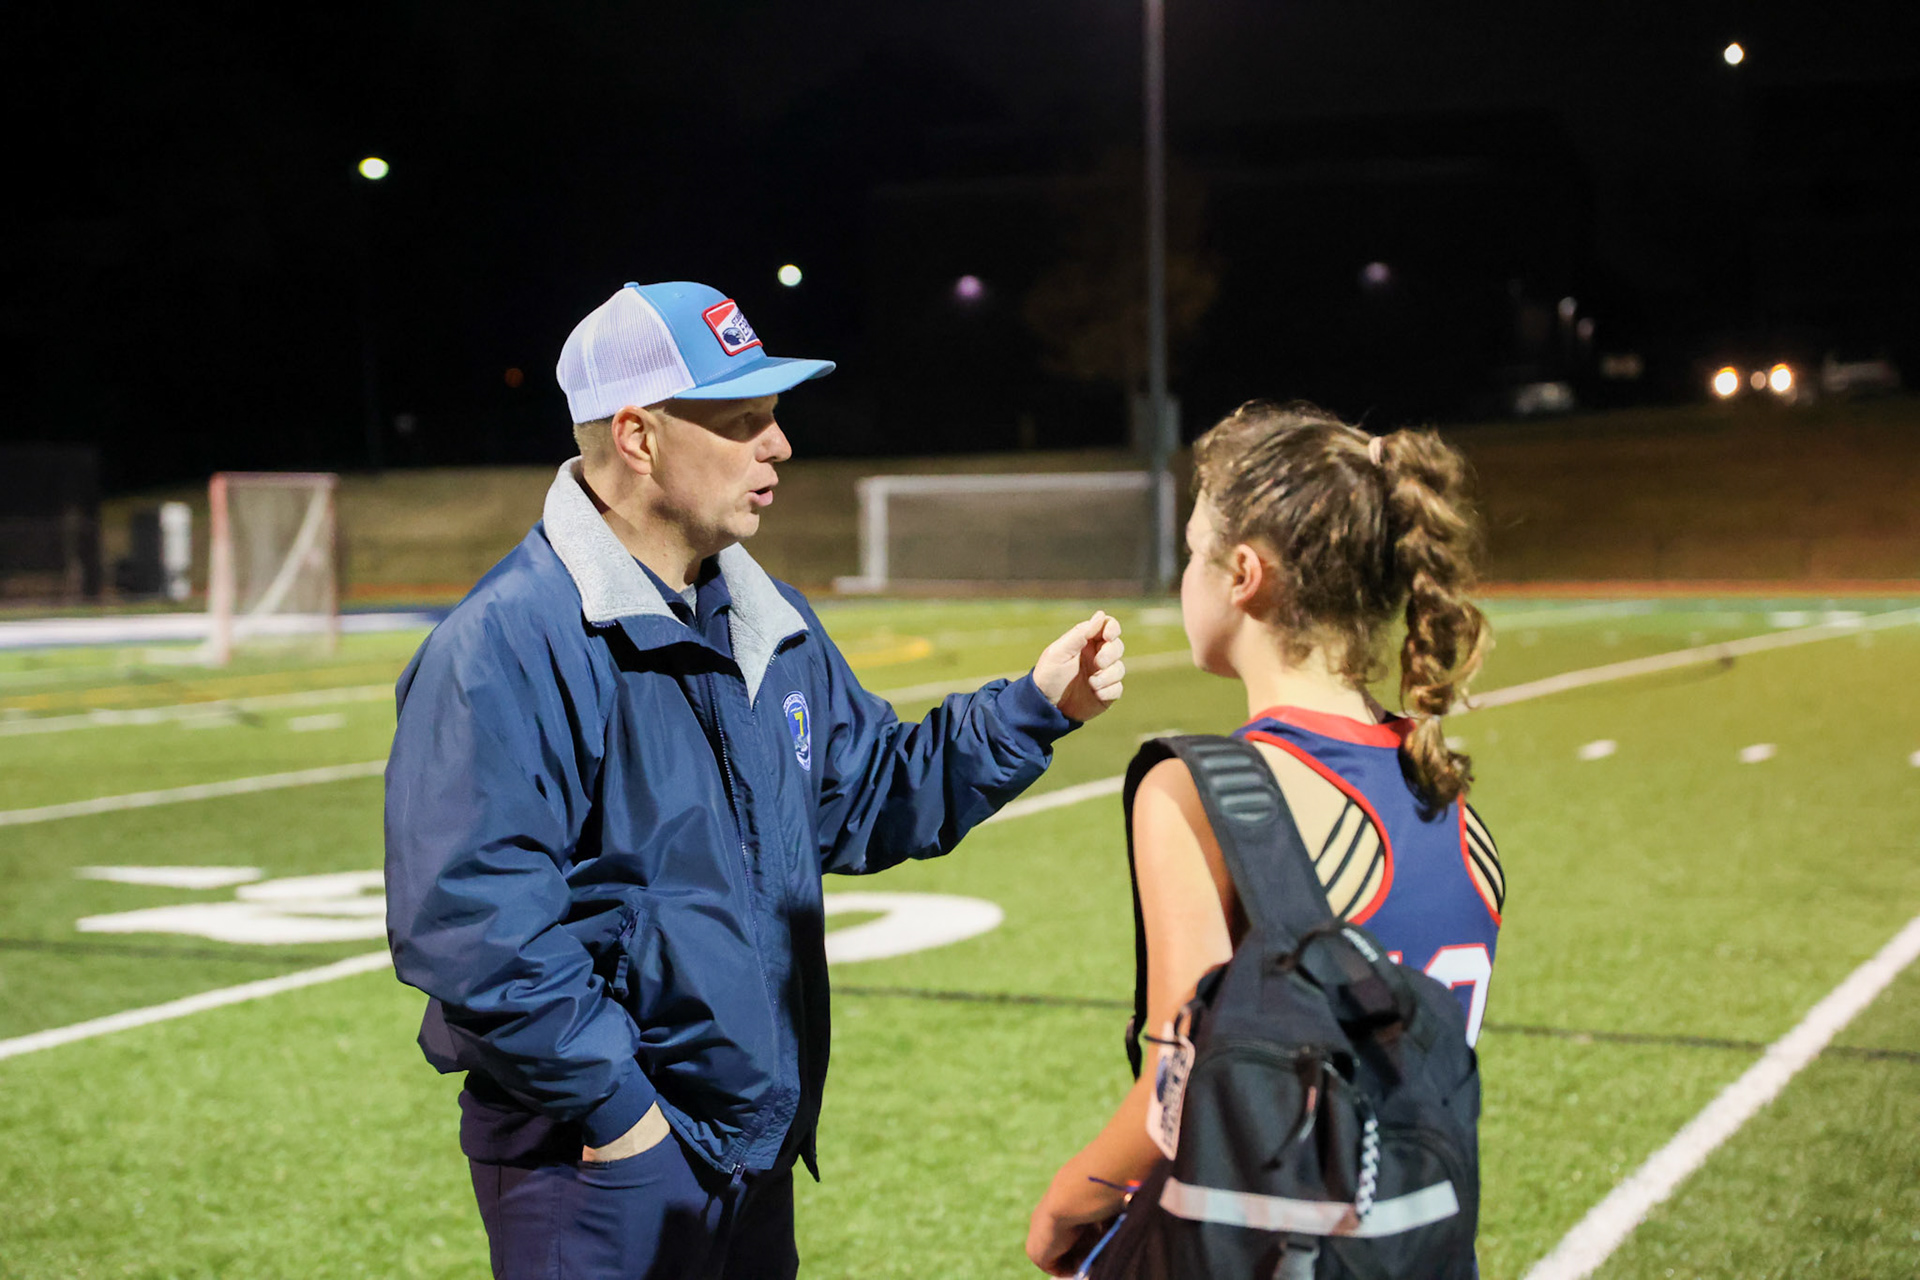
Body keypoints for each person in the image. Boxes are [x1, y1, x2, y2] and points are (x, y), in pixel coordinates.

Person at [382, 280, 1127, 1280]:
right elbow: (474, 923)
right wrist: (622, 1114)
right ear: (638, 436)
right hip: (599, 1163)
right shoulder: (508, 641)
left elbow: (865, 796)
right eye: (742, 421)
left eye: (773, 416)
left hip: (749, 1149)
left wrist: (1033, 707)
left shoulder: (762, 616)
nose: (778, 445)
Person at [1025, 401, 1504, 1275]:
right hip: (1416, 1247)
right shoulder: (1451, 797)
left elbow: (1181, 1087)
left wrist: (1068, 1200)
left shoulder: (1199, 790)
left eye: (1192, 551)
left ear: (1243, 574)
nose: (1186, 576)